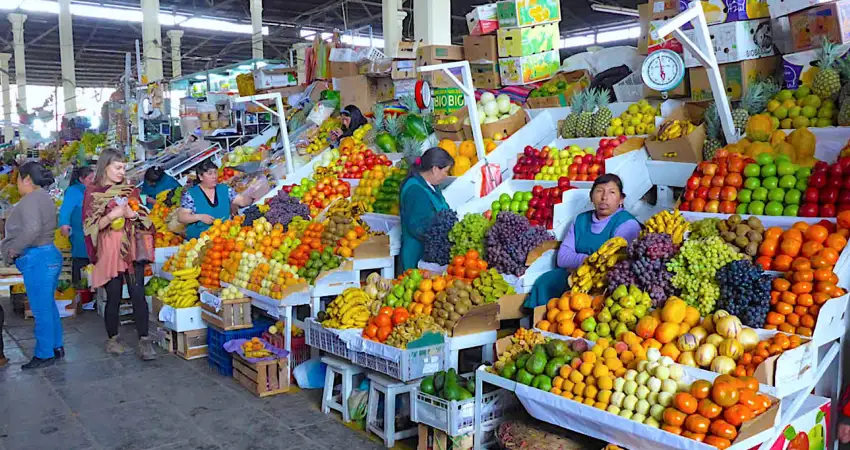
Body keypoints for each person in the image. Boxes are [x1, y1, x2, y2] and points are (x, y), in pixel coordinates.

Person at [524, 174, 641, 308]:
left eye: (612, 192)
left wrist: (578, 261)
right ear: (591, 197)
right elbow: (562, 258)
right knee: (545, 281)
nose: (604, 197)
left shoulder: (627, 223)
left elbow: (618, 264)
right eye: (599, 191)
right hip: (573, 274)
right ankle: (536, 324)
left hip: (604, 281)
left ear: (621, 199)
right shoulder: (580, 220)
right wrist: (591, 261)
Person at [82, 148, 157, 360]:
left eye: (124, 168)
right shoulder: (92, 193)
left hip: (131, 247)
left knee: (138, 293)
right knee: (113, 296)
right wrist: (112, 216)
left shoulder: (130, 189)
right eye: (117, 167)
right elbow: (89, 225)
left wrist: (134, 215)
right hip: (109, 250)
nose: (122, 172)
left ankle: (144, 341)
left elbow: (143, 214)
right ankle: (112, 339)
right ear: (105, 167)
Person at [1, 162, 64, 369]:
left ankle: (44, 353)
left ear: (27, 179)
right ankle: (56, 346)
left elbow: (32, 229)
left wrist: (13, 250)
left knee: (40, 308)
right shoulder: (44, 197)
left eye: (18, 179)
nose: (17, 184)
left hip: (38, 258)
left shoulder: (29, 200)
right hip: (49, 255)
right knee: (48, 305)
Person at [399, 148, 455, 271]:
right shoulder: (415, 190)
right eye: (445, 172)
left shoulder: (432, 186)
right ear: (435, 169)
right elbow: (418, 226)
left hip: (429, 257)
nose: (446, 176)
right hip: (416, 257)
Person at [177, 159, 255, 240]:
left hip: (224, 235)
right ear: (200, 176)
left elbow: (242, 201)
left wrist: (252, 193)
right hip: (200, 240)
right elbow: (181, 217)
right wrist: (199, 217)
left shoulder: (225, 189)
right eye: (210, 173)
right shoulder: (191, 194)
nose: (214, 176)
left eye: (215, 172)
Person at [59, 166, 95, 288]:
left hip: (93, 233)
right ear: (81, 179)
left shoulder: (92, 189)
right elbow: (65, 210)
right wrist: (64, 224)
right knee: (81, 260)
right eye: (90, 178)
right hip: (80, 233)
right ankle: (80, 291)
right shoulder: (73, 191)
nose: (93, 180)